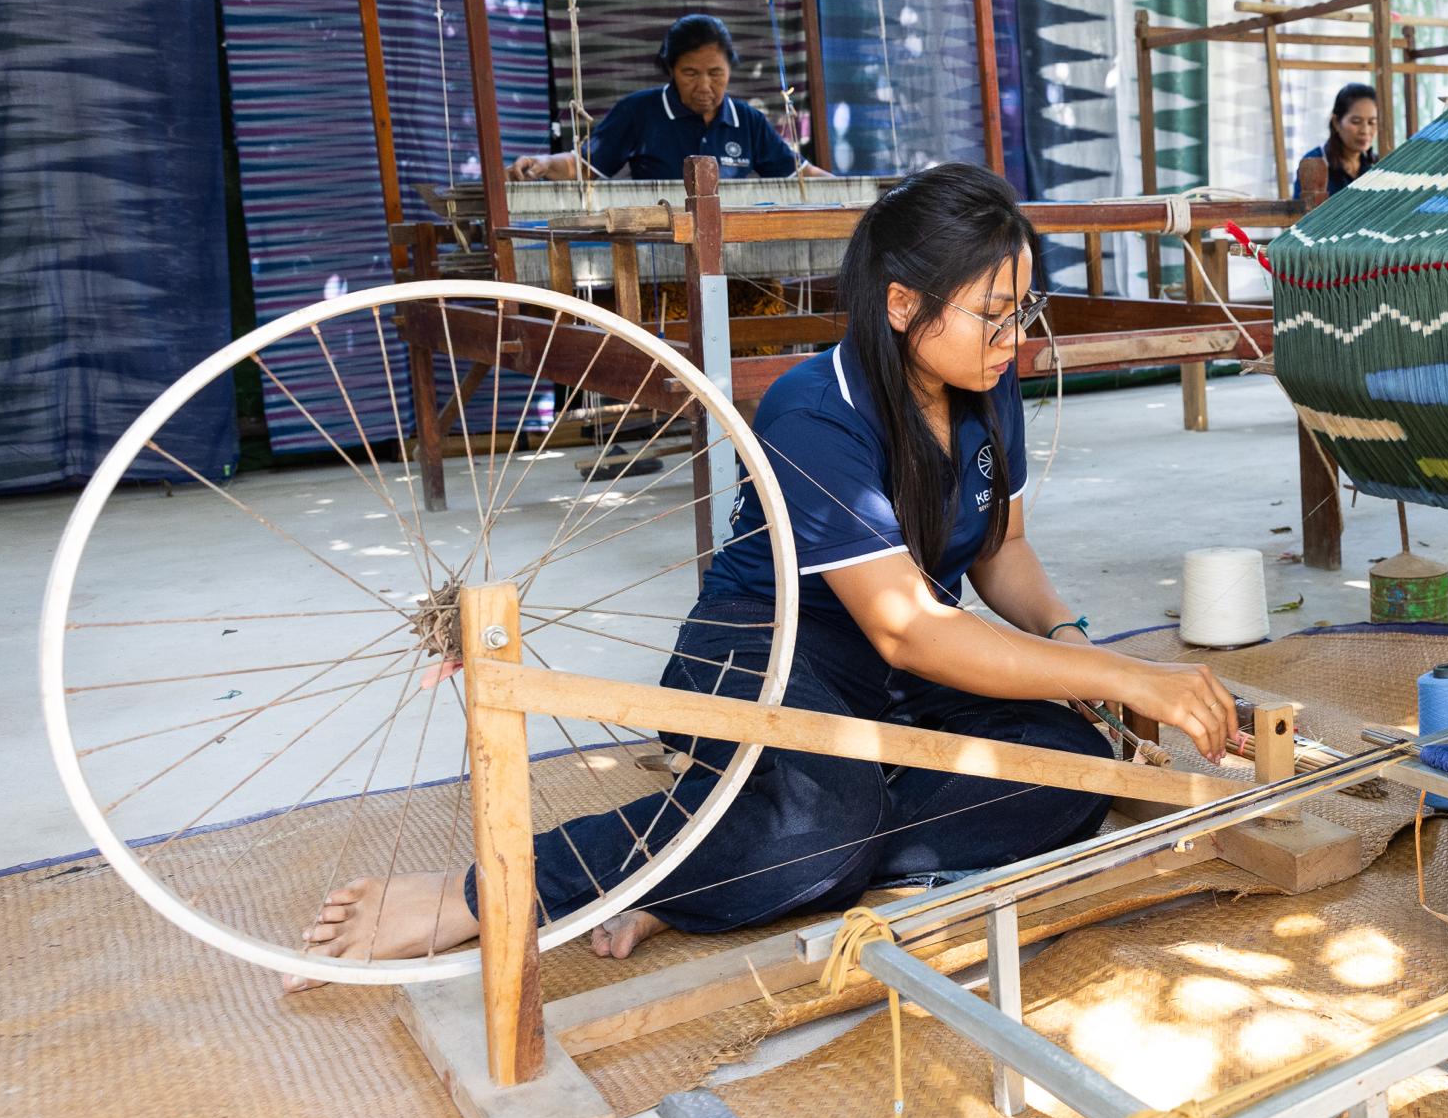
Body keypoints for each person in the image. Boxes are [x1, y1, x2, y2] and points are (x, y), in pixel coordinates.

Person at [289, 164, 1236, 983]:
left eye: (1024, 309)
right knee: (826, 822)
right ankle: (494, 888)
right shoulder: (811, 409)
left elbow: (999, 549)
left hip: (902, 676)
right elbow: (908, 625)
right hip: (770, 646)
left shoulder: (987, 383)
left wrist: (1069, 643)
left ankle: (729, 863)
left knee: (1069, 766)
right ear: (902, 304)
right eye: (994, 313)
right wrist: (1122, 672)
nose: (1014, 336)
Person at [512, 13, 834, 182]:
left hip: (732, 259)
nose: (704, 86)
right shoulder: (639, 112)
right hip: (659, 260)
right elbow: (582, 166)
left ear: (730, 69)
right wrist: (543, 164)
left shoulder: (748, 122)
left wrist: (854, 193)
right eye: (690, 73)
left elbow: (801, 175)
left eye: (716, 73)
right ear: (670, 69)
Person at [1294, 82, 1379, 211]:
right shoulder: (1314, 162)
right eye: (1356, 122)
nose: (1365, 130)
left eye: (1372, 122)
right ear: (1336, 122)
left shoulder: (1376, 166)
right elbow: (1301, 217)